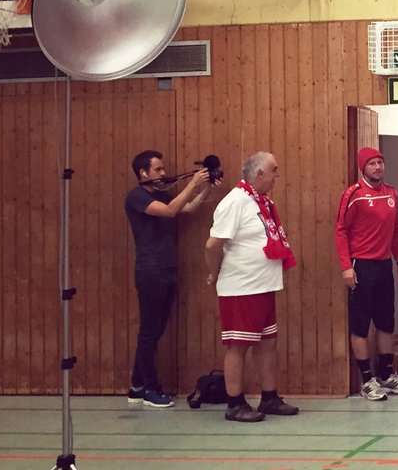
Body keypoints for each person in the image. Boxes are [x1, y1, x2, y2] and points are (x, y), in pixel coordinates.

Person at [206, 151, 300, 422]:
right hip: (241, 287)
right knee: (238, 345)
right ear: (259, 174)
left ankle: (269, 397)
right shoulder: (235, 201)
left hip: (263, 285)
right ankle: (234, 403)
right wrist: (215, 274)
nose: (276, 176)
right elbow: (212, 245)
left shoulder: (260, 201)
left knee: (268, 342)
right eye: (274, 170)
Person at [124, 149, 214, 408]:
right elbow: (170, 211)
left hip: (167, 269)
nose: (163, 173)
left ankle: (136, 385)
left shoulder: (162, 195)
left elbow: (187, 208)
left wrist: (206, 189)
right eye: (158, 170)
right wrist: (192, 183)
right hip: (150, 270)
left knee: (156, 330)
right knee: (149, 332)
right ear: (143, 172)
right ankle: (149, 389)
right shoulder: (136, 197)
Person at [334, 147, 398, 401]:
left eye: (380, 162)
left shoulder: (392, 193)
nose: (378, 167)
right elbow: (340, 231)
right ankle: (367, 380)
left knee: (386, 323)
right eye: (372, 164)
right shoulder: (353, 194)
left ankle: (387, 375)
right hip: (361, 265)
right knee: (360, 326)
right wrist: (347, 266)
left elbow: (395, 229)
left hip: (383, 266)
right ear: (363, 168)